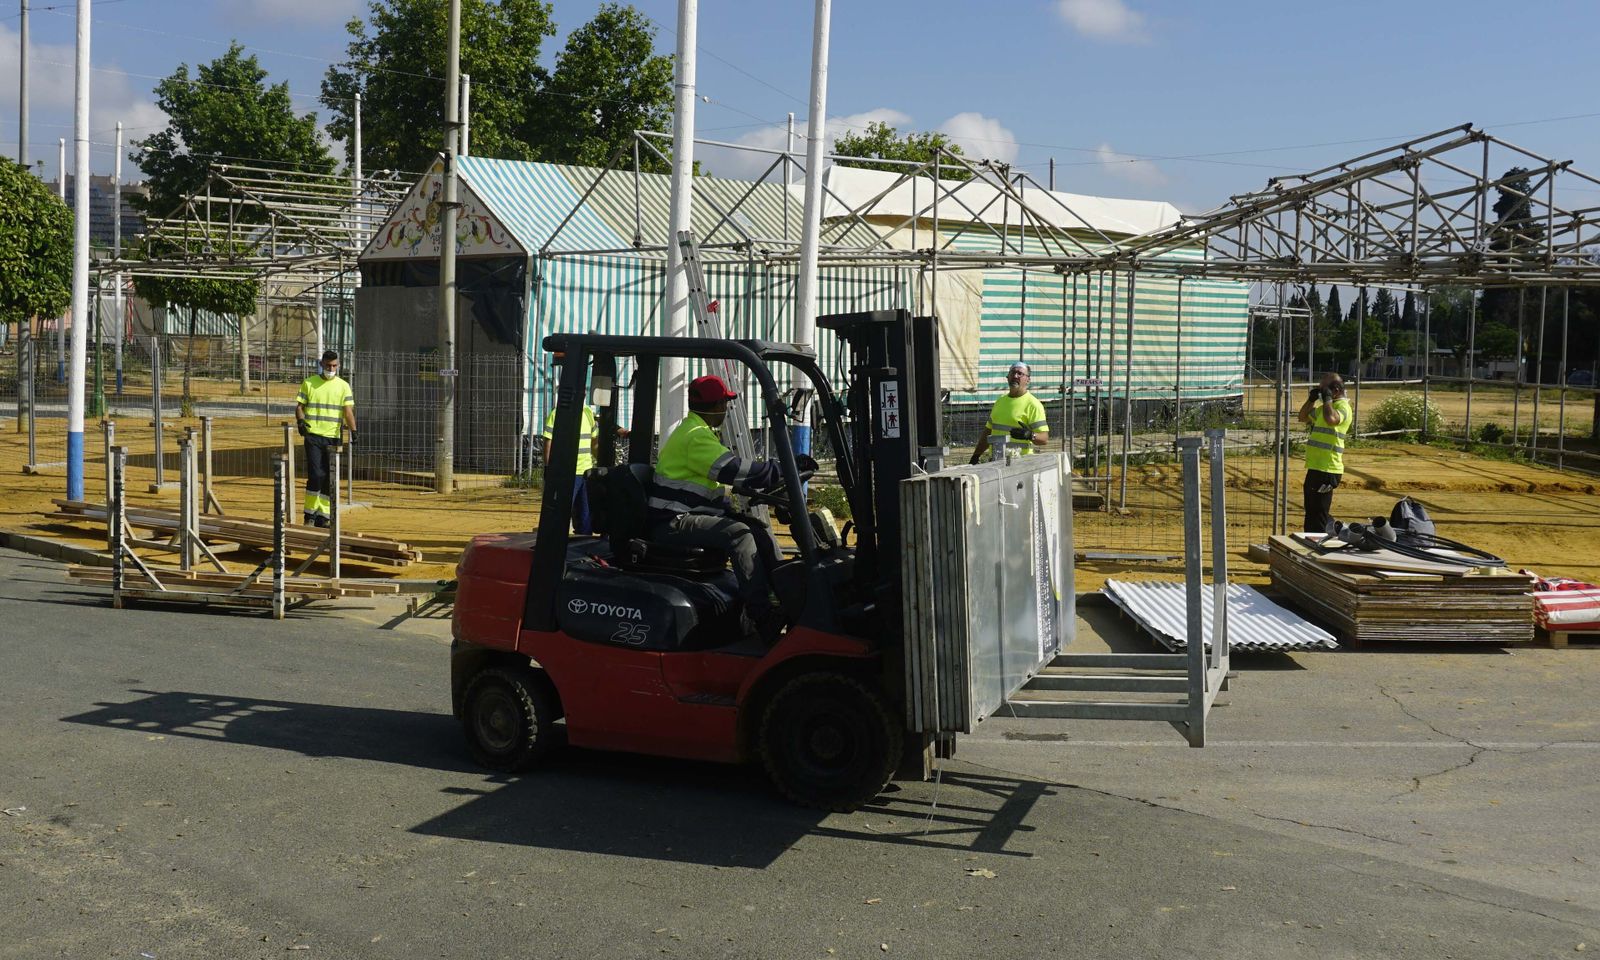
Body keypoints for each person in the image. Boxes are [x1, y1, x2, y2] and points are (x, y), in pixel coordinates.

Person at [648, 374, 798, 642]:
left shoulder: (700, 432)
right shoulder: (695, 436)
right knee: (739, 534)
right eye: (724, 404)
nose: (726, 409)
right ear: (713, 405)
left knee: (758, 530)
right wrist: (781, 468)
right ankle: (761, 615)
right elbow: (734, 470)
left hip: (691, 514)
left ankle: (789, 601)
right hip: (673, 521)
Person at [294, 350, 356, 528]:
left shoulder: (343, 386)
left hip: (333, 438)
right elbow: (300, 406)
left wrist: (354, 431)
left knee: (329, 477)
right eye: (328, 365)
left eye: (335, 366)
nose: (331, 369)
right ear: (321, 364)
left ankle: (324, 515)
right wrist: (301, 422)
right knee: (316, 475)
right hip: (313, 436)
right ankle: (310, 515)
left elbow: (348, 411)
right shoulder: (309, 383)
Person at [1297, 372, 1353, 533]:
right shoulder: (1324, 409)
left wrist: (1328, 400)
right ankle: (1326, 534)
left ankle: (1320, 543)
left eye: (1324, 391)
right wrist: (1311, 399)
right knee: (1311, 511)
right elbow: (1302, 417)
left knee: (1318, 515)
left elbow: (1332, 420)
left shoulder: (1343, 407)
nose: (1321, 394)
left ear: (1335, 391)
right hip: (1315, 467)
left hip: (1328, 469)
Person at [970, 360, 1050, 464]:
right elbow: (988, 432)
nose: (1015, 376)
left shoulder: (1033, 405)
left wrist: (1030, 435)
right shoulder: (1000, 402)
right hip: (996, 461)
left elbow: (1044, 438)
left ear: (1028, 380)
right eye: (1013, 372)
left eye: (1020, 373)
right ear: (1007, 377)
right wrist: (976, 455)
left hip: (1020, 463)